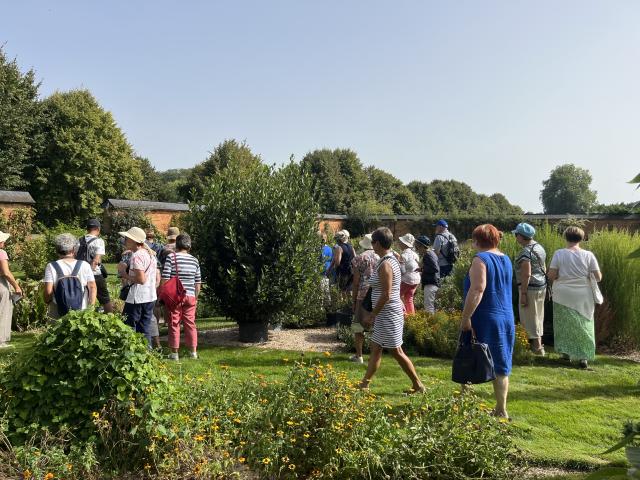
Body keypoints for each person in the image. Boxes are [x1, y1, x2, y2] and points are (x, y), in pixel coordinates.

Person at [359, 227, 425, 393]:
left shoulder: (386, 264)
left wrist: (372, 315)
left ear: (378, 244)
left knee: (397, 351)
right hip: (385, 314)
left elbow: (387, 294)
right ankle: (364, 384)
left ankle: (418, 385)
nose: (371, 245)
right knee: (376, 348)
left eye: (373, 242)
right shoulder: (389, 258)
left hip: (388, 313)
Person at [461, 224, 515, 419]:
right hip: (506, 317)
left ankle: (464, 403)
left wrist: (466, 317)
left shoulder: (480, 259)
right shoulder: (506, 259)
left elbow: (477, 289)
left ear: (477, 241)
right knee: (501, 363)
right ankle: (501, 409)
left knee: (469, 356)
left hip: (483, 316)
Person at [547, 227, 602, 369]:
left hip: (563, 293)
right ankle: (584, 357)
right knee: (585, 322)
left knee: (564, 324)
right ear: (582, 238)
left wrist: (561, 276)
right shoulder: (588, 255)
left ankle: (566, 354)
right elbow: (598, 277)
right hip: (583, 294)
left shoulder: (559, 253)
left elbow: (551, 275)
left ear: (565, 237)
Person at [160, 234, 202, 361]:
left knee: (174, 323)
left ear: (177, 245)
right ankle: (193, 352)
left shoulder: (171, 258)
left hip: (175, 297)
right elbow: (198, 282)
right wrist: (195, 296)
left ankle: (174, 354)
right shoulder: (195, 260)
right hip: (190, 296)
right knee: (190, 324)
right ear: (189, 245)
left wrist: (162, 294)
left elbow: (165, 278)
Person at [119, 227, 159, 348]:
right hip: (150, 296)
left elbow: (141, 279)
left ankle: (130, 353)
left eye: (127, 238)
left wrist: (124, 274)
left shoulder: (137, 256)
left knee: (129, 326)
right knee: (144, 327)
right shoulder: (150, 254)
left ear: (133, 240)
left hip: (137, 297)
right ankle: (147, 354)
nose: (124, 240)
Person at [513, 223, 547, 356]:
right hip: (541, 287)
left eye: (516, 235)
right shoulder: (539, 247)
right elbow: (543, 267)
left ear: (521, 236)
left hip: (530, 288)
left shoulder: (526, 252)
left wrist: (523, 293)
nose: (516, 238)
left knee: (529, 317)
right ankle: (538, 346)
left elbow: (526, 274)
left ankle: (537, 348)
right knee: (538, 316)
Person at [43, 233, 97, 319]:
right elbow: (92, 287)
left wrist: (46, 301)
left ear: (57, 249)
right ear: (74, 249)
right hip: (81, 310)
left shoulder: (51, 266)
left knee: (56, 331)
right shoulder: (84, 265)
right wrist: (91, 308)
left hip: (58, 309)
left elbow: (48, 291)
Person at [349, 233, 379, 364]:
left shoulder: (359, 258)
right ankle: (375, 356)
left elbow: (356, 282)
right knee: (375, 328)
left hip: (363, 295)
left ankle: (359, 355)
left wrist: (354, 300)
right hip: (377, 294)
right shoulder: (381, 257)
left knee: (358, 326)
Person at [77, 219, 113, 313]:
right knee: (105, 298)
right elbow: (96, 260)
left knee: (84, 298)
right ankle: (110, 319)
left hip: (79, 274)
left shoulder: (79, 240)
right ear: (98, 229)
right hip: (94, 273)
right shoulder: (99, 241)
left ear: (87, 229)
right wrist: (89, 273)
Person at [0, 231, 21, 348]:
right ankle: (1, 341)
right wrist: (16, 286)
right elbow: (6, 272)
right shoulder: (1, 253)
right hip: (1, 284)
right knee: (3, 310)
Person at [397, 233, 421, 316]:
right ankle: (412, 319)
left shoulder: (403, 256)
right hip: (416, 280)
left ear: (404, 244)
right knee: (409, 298)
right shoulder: (415, 254)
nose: (399, 243)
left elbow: (402, 271)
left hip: (407, 280)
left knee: (395, 296)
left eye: (401, 242)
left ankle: (404, 315)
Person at [415, 235, 439, 313]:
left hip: (431, 283)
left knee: (429, 306)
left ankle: (431, 324)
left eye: (417, 246)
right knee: (429, 305)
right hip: (431, 282)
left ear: (422, 246)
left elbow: (435, 268)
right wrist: (421, 269)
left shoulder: (428, 254)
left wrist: (423, 269)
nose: (417, 249)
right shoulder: (430, 253)